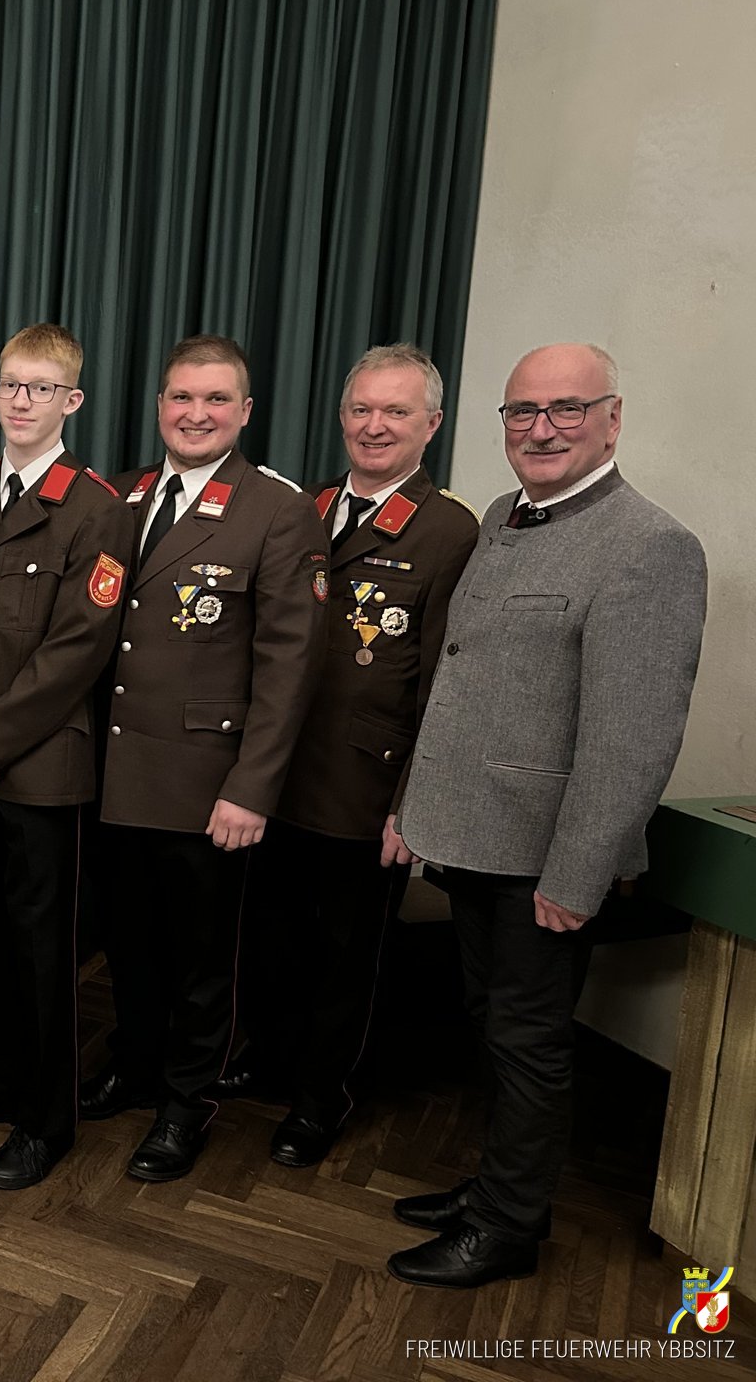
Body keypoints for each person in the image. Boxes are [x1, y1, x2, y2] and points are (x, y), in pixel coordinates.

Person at [387, 343, 706, 1288]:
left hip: (542, 860)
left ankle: (509, 1227)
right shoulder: (504, 516)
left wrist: (576, 877)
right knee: (492, 1024)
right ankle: (499, 1186)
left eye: (567, 408)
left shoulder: (650, 546)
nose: (542, 429)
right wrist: (413, 806)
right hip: (473, 835)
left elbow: (632, 739)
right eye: (523, 411)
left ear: (612, 419)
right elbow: (463, 682)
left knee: (528, 1043)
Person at [84, 334, 327, 1183]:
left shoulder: (278, 511)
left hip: (205, 783)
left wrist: (252, 788)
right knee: (128, 941)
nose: (196, 414)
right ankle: (135, 1063)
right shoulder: (122, 496)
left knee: (201, 959)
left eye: (216, 399)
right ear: (159, 405)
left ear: (246, 411)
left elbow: (289, 668)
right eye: (182, 397)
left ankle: (187, 1105)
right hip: (115, 773)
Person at [239, 344, 479, 1169]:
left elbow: (445, 684)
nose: (375, 426)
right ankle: (272, 1059)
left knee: (347, 957)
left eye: (396, 412)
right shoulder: (305, 507)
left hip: (363, 786)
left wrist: (412, 803)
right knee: (272, 938)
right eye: (362, 410)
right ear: (342, 417)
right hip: (278, 775)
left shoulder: (449, 531)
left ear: (431, 425)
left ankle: (323, 1098)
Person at [0, 324, 129, 1189]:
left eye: (41, 387)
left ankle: (48, 1119)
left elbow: (76, 652)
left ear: (71, 401)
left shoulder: (97, 507)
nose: (21, 400)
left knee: (44, 951)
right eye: (11, 384)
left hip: (42, 765)